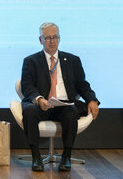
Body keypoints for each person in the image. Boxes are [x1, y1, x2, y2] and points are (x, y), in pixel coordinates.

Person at [21, 22, 99, 172]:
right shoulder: (31, 61)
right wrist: (39, 99)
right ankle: (36, 157)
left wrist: (92, 99)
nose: (52, 41)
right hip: (42, 104)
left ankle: (66, 156)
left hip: (64, 104)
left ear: (59, 38)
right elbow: (27, 86)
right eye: (48, 38)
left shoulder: (72, 60)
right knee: (29, 111)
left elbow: (82, 84)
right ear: (40, 40)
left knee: (71, 113)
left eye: (55, 37)